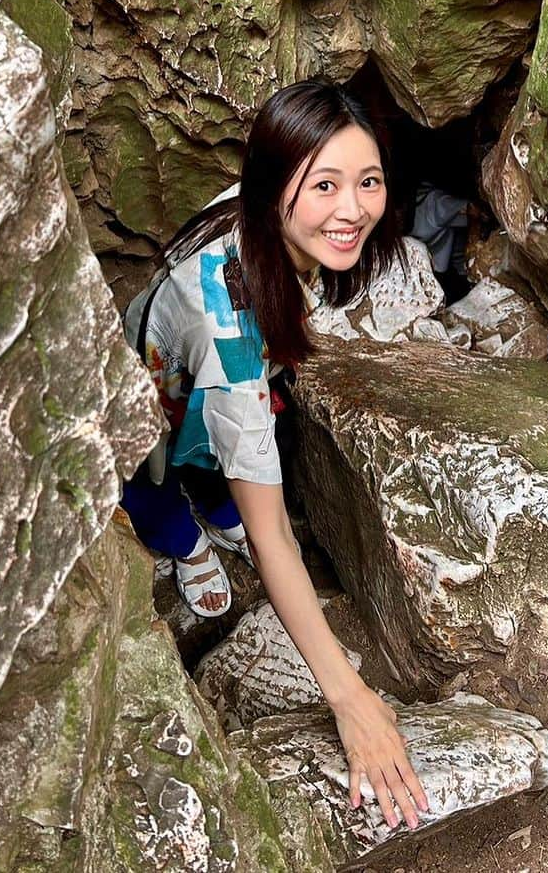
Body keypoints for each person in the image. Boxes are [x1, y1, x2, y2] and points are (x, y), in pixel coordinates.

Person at [120, 80, 429, 831]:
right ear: (276, 183)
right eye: (325, 185)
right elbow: (275, 536)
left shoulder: (259, 208)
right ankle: (177, 535)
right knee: (156, 475)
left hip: (189, 364)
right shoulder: (231, 343)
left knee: (220, 456)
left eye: (368, 181)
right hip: (156, 384)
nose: (351, 209)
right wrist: (350, 696)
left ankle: (211, 494)